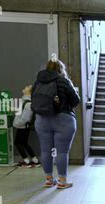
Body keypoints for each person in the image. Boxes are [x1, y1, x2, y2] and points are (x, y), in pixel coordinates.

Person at [32, 59, 80, 189]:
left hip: (42, 120)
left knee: (45, 151)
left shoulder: (38, 82)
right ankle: (62, 181)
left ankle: (49, 180)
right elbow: (76, 101)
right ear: (61, 69)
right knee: (62, 152)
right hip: (63, 120)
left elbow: (34, 100)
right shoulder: (63, 81)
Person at [13, 85, 40, 168]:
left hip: (22, 127)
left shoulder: (28, 103)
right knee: (24, 143)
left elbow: (25, 118)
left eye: (27, 87)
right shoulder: (26, 101)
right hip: (24, 127)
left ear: (29, 92)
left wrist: (16, 123)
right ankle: (35, 160)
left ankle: (26, 161)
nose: (25, 87)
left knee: (17, 143)